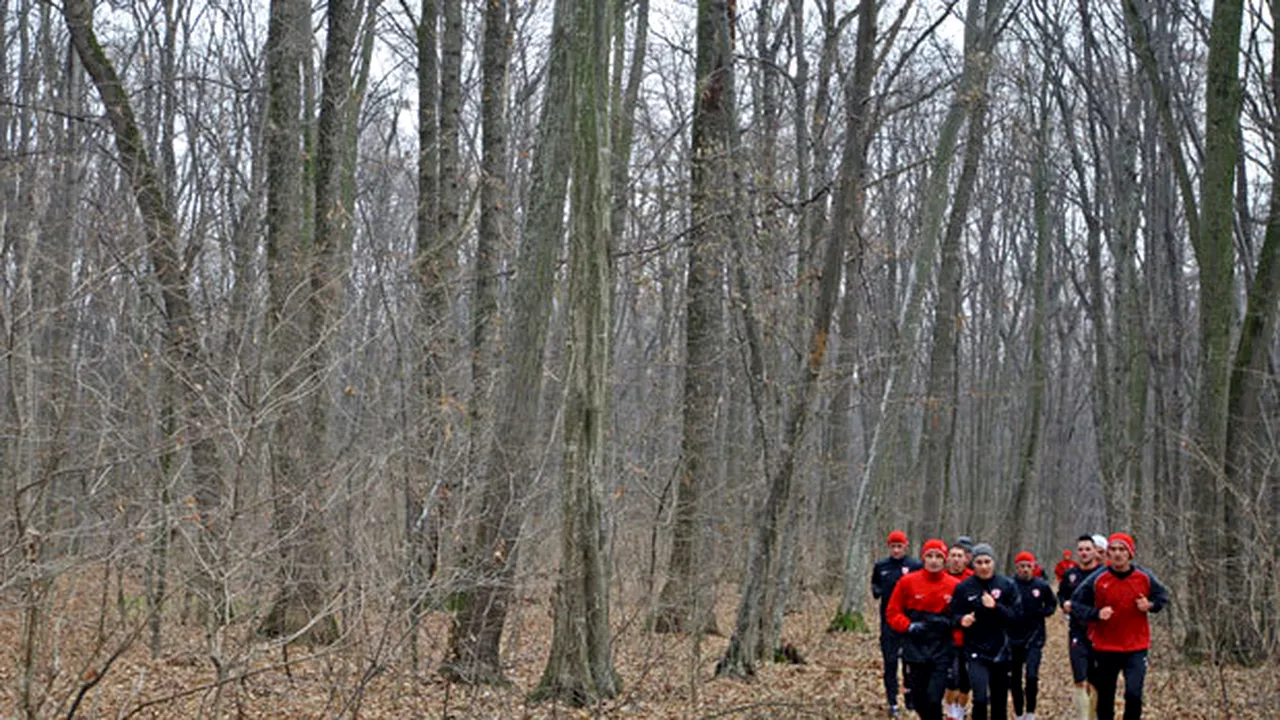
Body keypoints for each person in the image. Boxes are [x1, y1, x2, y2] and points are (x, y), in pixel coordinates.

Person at [1071, 533, 1169, 720]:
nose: (1117, 554)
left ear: (1130, 553)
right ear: (1107, 553)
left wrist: (1150, 605)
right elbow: (1076, 604)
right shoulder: (1098, 579)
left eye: (1122, 549)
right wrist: (1096, 614)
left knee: (1134, 695)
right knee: (1105, 698)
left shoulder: (1144, 577)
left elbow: (1162, 597)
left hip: (1136, 646)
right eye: (1113, 550)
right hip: (1106, 646)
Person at [886, 539, 961, 720]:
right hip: (915, 647)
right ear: (923, 558)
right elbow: (892, 612)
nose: (934, 561)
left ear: (944, 561)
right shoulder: (907, 582)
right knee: (918, 700)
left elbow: (962, 618)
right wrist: (909, 626)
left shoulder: (954, 586)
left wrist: (952, 627)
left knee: (934, 698)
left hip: (941, 649)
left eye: (938, 557)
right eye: (929, 556)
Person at [949, 543, 1020, 720]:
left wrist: (996, 607)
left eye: (987, 561)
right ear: (973, 564)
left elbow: (1016, 616)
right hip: (975, 650)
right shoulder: (964, 588)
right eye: (979, 562)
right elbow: (951, 616)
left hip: (1001, 651)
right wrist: (961, 620)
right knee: (980, 698)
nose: (983, 566)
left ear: (993, 562)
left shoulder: (1006, 585)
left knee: (999, 700)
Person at [872, 530, 924, 717]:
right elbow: (875, 585)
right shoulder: (881, 566)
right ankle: (892, 700)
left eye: (899, 546)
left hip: (910, 621)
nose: (896, 550)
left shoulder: (915, 565)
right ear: (889, 547)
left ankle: (910, 698)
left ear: (906, 546)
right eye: (893, 546)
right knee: (891, 662)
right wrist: (879, 590)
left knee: (910, 662)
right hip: (888, 622)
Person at [1058, 533, 1106, 719]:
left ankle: (1093, 715)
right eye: (1081, 550)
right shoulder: (1070, 574)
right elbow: (1061, 595)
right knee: (1079, 678)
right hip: (1077, 631)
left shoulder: (1103, 574)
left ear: (1096, 551)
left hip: (1100, 632)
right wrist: (1064, 604)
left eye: (1088, 549)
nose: (1084, 553)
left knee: (1096, 681)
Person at [1009, 551, 1057, 720]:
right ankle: (1019, 712)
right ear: (1017, 567)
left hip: (1035, 637)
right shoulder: (1010, 585)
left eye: (1029, 566)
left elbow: (1052, 604)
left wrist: (1043, 612)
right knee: (1014, 678)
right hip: (1013, 638)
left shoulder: (1041, 586)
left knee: (1031, 675)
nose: (1025, 570)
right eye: (1022, 566)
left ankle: (1030, 712)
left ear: (1034, 567)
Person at [942, 541, 974, 717]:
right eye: (952, 556)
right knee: (951, 679)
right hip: (947, 638)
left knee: (965, 681)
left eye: (959, 556)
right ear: (947, 558)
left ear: (966, 559)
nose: (956, 560)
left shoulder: (973, 579)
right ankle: (949, 709)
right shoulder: (941, 577)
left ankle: (959, 711)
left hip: (970, 639)